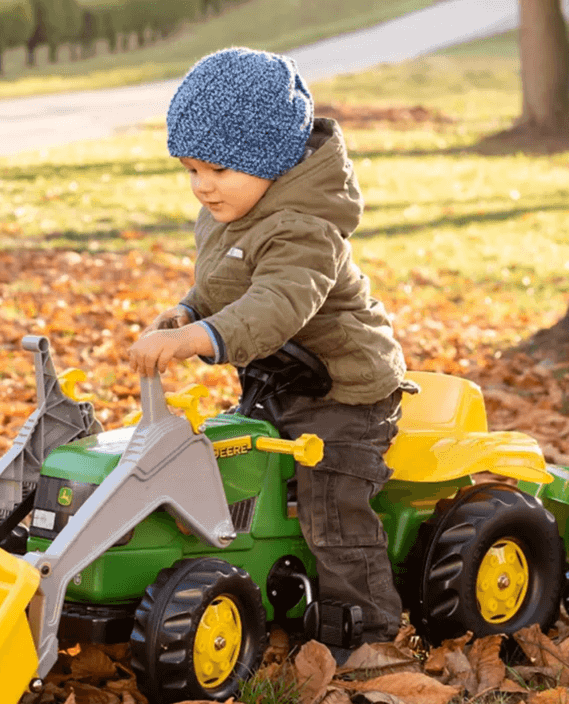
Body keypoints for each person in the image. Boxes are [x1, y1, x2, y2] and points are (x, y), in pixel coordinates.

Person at [127, 46, 409, 655]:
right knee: (231, 474)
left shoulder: (305, 227)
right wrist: (190, 310)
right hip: (278, 386)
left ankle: (366, 634)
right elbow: (226, 284)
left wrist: (190, 340)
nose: (202, 186)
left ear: (269, 160)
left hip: (345, 394)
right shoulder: (237, 207)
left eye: (218, 170)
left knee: (332, 506)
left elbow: (276, 305)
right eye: (191, 170)